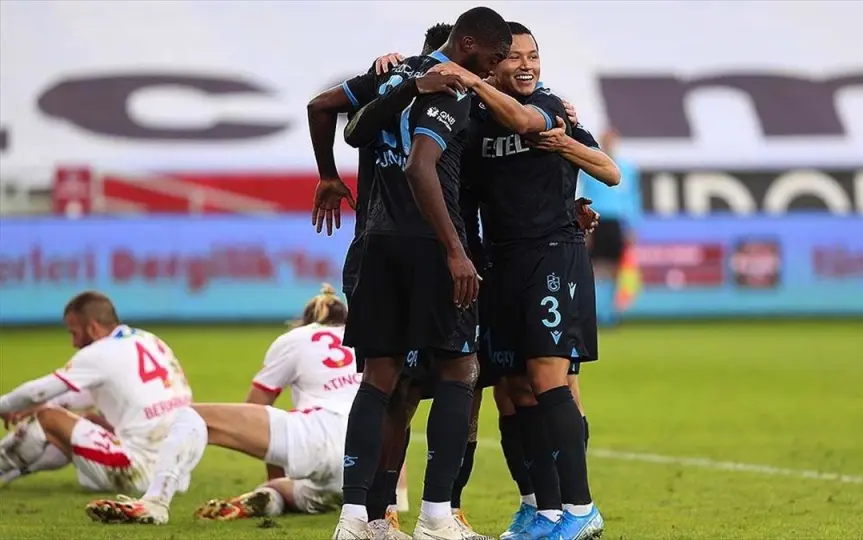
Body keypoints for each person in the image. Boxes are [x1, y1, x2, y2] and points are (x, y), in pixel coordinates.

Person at [312, 7, 513, 540]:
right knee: (460, 370)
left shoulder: (394, 75)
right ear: (467, 45)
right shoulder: (450, 87)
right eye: (494, 57)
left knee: (379, 380)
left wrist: (328, 175)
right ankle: (437, 517)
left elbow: (329, 113)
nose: (494, 68)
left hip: (375, 242)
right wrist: (456, 251)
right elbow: (419, 166)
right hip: (428, 245)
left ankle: (357, 520)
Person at [432, 22, 614, 540]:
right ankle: (542, 509)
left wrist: (565, 147)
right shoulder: (472, 122)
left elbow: (609, 170)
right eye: (515, 57)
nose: (527, 65)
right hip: (501, 262)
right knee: (510, 391)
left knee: (550, 380)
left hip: (552, 255)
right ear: (494, 61)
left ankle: (581, 508)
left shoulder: (549, 106)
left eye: (533, 55)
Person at [83, 285, 362, 526]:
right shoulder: (366, 339)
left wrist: (278, 461)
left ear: (306, 321)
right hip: (366, 452)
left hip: (318, 430)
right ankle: (270, 497)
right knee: (300, 491)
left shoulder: (295, 338)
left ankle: (155, 502)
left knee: (192, 415)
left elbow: (256, 407)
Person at [0, 291, 193, 494]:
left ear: (92, 328)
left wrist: (8, 405)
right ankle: (10, 473)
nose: (74, 343)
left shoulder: (100, 352)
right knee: (83, 420)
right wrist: (38, 404)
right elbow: (83, 396)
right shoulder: (149, 340)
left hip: (138, 473)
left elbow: (36, 393)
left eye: (74, 333)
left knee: (49, 419)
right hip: (176, 475)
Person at [578, 128, 639, 326]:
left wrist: (632, 225)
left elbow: (632, 198)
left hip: (616, 221)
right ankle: (595, 313)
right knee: (594, 267)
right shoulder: (591, 167)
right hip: (597, 219)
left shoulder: (627, 169)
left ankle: (610, 313)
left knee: (615, 268)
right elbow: (584, 194)